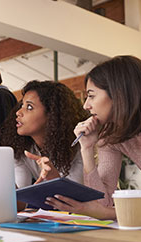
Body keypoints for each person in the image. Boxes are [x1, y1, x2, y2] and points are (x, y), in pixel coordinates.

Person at [45, 55, 141, 220]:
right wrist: (87, 148)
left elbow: (102, 211)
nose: (86, 105)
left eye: (91, 95)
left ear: (118, 94)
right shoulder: (111, 137)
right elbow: (101, 202)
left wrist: (107, 214)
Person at [0, 80, 88, 210]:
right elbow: (20, 201)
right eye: (21, 105)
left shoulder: (80, 146)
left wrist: (53, 177)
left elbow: (72, 201)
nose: (18, 112)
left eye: (29, 107)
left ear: (52, 114)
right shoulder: (22, 150)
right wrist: (3, 177)